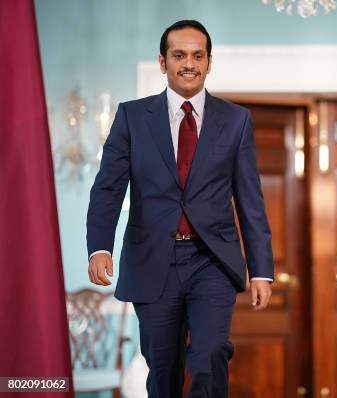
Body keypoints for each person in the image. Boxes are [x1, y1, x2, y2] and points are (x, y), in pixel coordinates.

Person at [86, 20, 274, 397]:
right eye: (179, 55)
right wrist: (99, 247)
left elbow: (250, 199)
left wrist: (262, 270)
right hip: (153, 260)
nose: (189, 63)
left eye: (197, 55)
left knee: (209, 354)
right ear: (162, 62)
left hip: (212, 261)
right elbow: (108, 188)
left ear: (209, 62)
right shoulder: (132, 117)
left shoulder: (236, 121)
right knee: (163, 369)